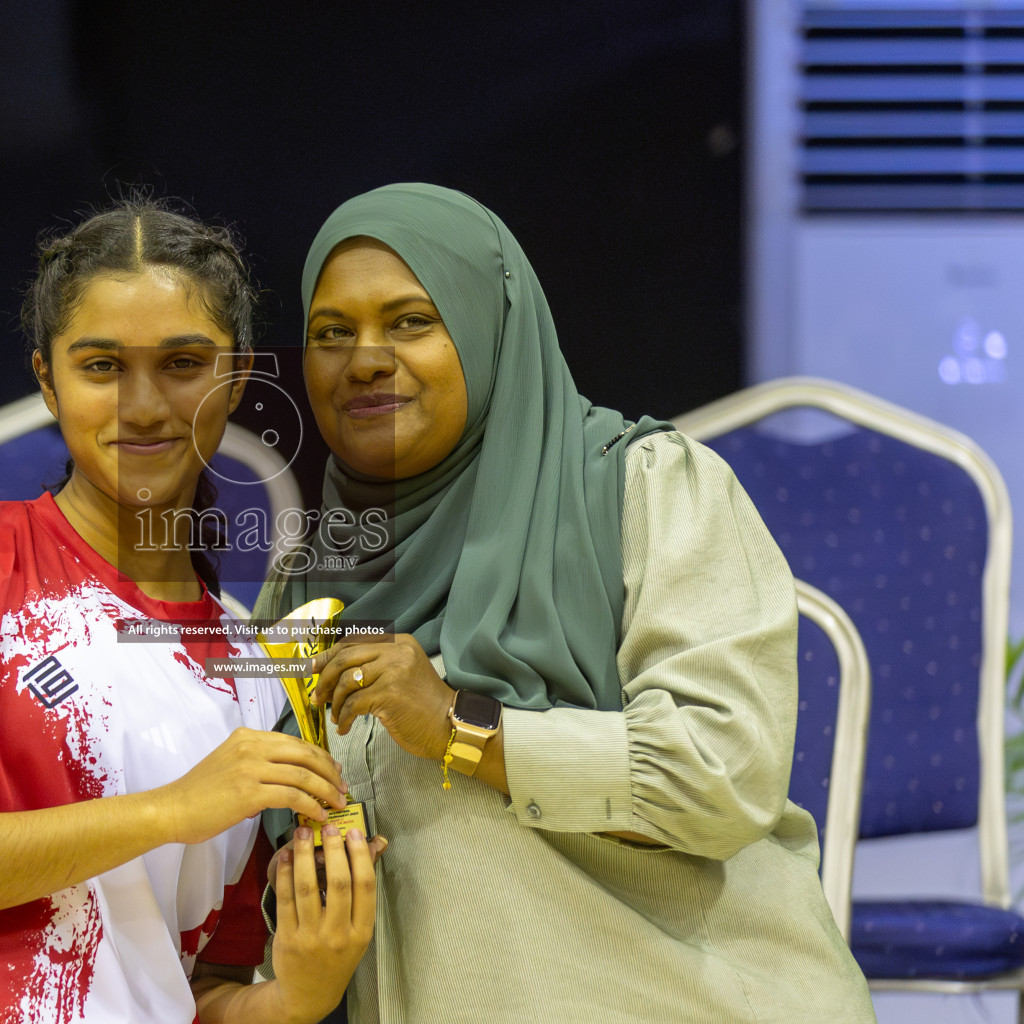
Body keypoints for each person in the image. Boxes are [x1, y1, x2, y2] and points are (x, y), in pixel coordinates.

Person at [255, 183, 876, 1023]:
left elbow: (721, 778)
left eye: (411, 321)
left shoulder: (640, 489)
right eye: (332, 333)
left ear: (491, 328)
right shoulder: (309, 573)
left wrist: (460, 726)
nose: (364, 358)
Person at [0, 198, 380, 1024]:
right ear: (46, 379)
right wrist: (169, 811)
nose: (142, 407)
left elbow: (197, 985)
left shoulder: (254, 670)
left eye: (183, 364)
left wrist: (300, 993)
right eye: (101, 366)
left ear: (239, 376)